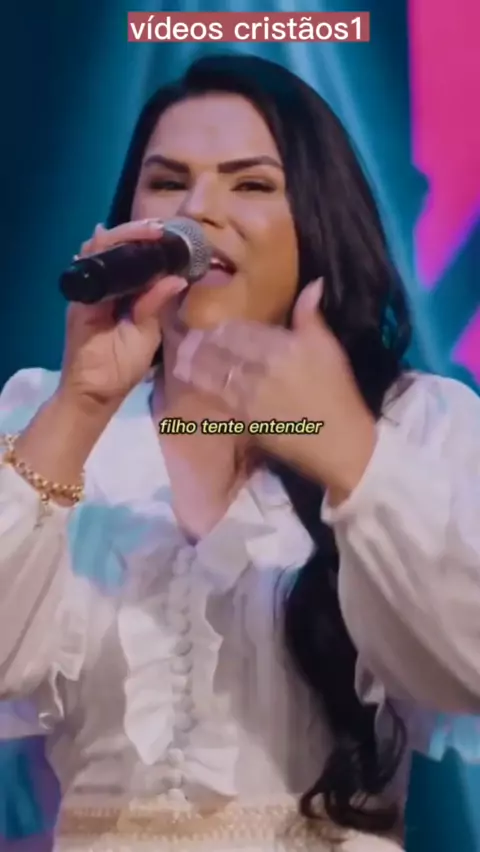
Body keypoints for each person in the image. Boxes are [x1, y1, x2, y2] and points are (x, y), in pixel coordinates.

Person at [0, 52, 479, 852]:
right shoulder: (45, 416)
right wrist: (80, 407)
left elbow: (467, 665)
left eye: (250, 184)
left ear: (315, 217)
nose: (198, 211)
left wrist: (350, 459)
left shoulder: (417, 424)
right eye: (167, 182)